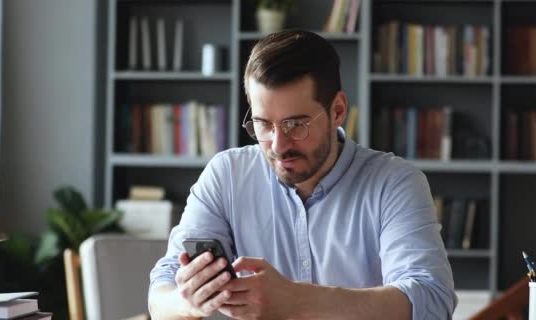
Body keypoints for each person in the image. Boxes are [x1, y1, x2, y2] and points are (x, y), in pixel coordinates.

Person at [148, 30, 457, 320]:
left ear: (337, 110)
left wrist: (295, 299)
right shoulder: (227, 175)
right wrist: (186, 300)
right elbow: (161, 290)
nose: (279, 145)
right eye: (263, 125)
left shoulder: (395, 182)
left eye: (296, 124)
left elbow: (431, 300)